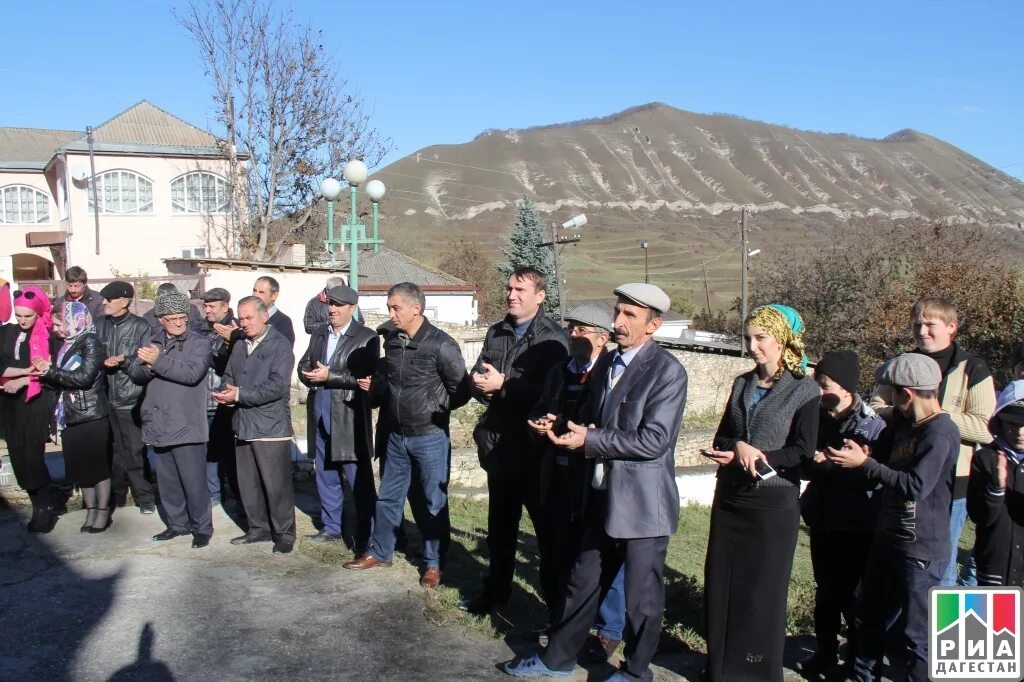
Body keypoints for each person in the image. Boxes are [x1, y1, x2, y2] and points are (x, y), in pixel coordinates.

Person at [503, 283, 688, 682]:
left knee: (642, 599)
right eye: (617, 312)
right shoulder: (607, 363)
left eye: (628, 317)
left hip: (643, 502)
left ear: (654, 325)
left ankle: (637, 673)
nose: (617, 323)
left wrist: (591, 438)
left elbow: (655, 440)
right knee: (581, 583)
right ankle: (557, 661)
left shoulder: (668, 372)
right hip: (600, 494)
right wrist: (561, 424)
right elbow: (593, 417)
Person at [701, 304, 820, 682]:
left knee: (761, 592)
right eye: (748, 338)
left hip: (773, 503)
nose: (752, 346)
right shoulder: (741, 383)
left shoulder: (805, 390)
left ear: (784, 341)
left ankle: (756, 672)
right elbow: (723, 434)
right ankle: (721, 669)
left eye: (761, 338)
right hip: (732, 498)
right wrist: (735, 447)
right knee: (723, 584)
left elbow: (803, 450)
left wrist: (759, 455)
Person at [829, 353, 960, 682]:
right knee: (868, 618)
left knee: (918, 636)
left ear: (908, 393)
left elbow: (915, 485)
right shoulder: (904, 424)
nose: (889, 400)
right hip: (888, 539)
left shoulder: (940, 433)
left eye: (892, 393)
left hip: (921, 551)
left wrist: (865, 465)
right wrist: (864, 455)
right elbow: (883, 460)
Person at [343, 282, 470, 588]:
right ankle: (380, 551)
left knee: (432, 501)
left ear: (417, 308)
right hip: (396, 435)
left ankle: (434, 563)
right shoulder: (394, 343)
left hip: (430, 436)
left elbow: (462, 389)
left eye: (395, 307)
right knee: (388, 498)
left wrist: (435, 409)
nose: (391, 314)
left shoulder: (441, 345)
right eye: (389, 307)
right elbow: (392, 384)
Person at [463, 267, 569, 616]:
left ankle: (558, 610)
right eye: (509, 288)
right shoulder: (497, 332)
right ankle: (495, 596)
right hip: (501, 447)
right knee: (500, 531)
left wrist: (504, 386)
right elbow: (481, 372)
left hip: (536, 453)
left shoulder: (553, 340)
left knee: (550, 537)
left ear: (540, 296)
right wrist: (483, 387)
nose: (512, 295)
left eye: (520, 289)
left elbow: (552, 395)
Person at [869, 296, 994, 586]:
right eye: (916, 325)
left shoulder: (972, 368)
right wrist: (914, 413)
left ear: (952, 327)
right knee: (897, 567)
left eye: (930, 325)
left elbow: (984, 428)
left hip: (951, 484)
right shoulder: (901, 365)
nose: (922, 331)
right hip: (899, 475)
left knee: (941, 569)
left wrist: (932, 415)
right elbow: (875, 410)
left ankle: (936, 630)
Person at [528, 302, 627, 662]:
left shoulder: (610, 373)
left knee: (600, 553)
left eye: (581, 329)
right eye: (571, 328)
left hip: (594, 477)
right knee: (556, 550)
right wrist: (541, 422)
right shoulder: (559, 371)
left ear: (601, 338)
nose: (572, 334)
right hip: (557, 474)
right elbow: (543, 407)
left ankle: (608, 630)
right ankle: (560, 619)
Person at [799, 351, 886, 679]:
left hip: (857, 523)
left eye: (825, 385)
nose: (819, 392)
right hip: (822, 518)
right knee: (826, 592)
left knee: (854, 598)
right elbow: (805, 459)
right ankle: (824, 654)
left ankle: (855, 660)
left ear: (847, 387)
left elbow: (872, 475)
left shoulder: (871, 425)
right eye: (816, 384)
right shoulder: (816, 417)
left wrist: (832, 466)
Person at [127, 290, 214, 547]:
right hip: (158, 422)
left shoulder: (199, 343)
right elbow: (134, 373)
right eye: (172, 318)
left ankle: (202, 527)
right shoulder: (152, 340)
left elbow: (192, 373)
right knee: (168, 481)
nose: (178, 323)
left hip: (186, 423)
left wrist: (157, 361)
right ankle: (177, 524)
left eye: (182, 318)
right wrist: (147, 365)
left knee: (194, 482)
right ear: (159, 319)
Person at [297, 284, 379, 550]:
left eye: (338, 305)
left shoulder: (366, 337)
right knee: (325, 475)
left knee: (359, 480)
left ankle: (368, 532)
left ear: (352, 309)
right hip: (320, 413)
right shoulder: (320, 333)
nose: (332, 310)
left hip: (348, 418)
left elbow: (364, 379)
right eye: (330, 304)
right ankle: (332, 526)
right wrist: (308, 375)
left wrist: (329, 377)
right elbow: (305, 363)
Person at [214, 296, 296, 555]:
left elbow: (276, 387)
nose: (244, 323)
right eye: (241, 318)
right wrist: (225, 393)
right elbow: (229, 375)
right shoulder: (240, 345)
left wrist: (239, 395)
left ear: (264, 316)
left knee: (276, 485)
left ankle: (284, 534)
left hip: (270, 426)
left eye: (249, 318)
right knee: (247, 482)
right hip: (243, 424)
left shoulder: (280, 346)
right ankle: (257, 528)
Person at [37, 302, 113, 533]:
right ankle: (90, 509)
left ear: (74, 321)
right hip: (70, 415)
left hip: (91, 414)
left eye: (60, 323)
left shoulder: (90, 342)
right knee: (81, 469)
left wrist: (50, 372)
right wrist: (44, 373)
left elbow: (84, 377)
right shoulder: (66, 345)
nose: (56, 329)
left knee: (97, 468)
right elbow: (61, 379)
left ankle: (102, 511)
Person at [0, 287, 60, 533]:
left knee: (32, 456)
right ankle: (36, 498)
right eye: (19, 315)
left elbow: (49, 372)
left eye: (28, 316)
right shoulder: (7, 332)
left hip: (34, 403)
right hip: (9, 404)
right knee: (17, 456)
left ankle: (44, 505)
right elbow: (2, 366)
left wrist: (24, 381)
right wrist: (25, 372)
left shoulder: (47, 337)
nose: (23, 320)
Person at [96, 281, 155, 514]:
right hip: (104, 396)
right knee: (110, 451)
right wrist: (101, 361)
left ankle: (145, 497)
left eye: (109, 299)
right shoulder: (99, 325)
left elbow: (145, 359)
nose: (104, 303)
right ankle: (116, 496)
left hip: (130, 396)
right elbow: (91, 353)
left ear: (124, 301)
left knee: (134, 451)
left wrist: (124, 359)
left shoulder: (141, 326)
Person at [967, 379, 1024, 586]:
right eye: (1012, 423)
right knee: (990, 619)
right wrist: (996, 489)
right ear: (999, 421)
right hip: (994, 567)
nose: (1020, 432)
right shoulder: (986, 459)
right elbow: (979, 516)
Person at [200, 287, 240, 506]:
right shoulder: (200, 329)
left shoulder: (235, 329)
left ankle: (237, 494)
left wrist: (230, 340)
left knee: (230, 453)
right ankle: (214, 494)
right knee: (210, 452)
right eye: (205, 305)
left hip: (225, 398)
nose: (207, 310)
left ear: (225, 306)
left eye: (212, 306)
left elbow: (233, 362)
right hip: (203, 399)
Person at [252, 276, 295, 345]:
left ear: (274, 295)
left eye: (261, 292)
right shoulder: (248, 318)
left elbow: (284, 352)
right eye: (254, 290)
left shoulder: (283, 322)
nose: (255, 295)